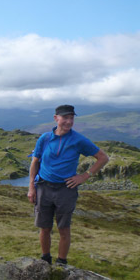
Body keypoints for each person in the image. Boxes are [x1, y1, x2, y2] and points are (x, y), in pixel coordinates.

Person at [27, 105, 109, 265]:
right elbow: (35, 162)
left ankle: (61, 263)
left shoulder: (78, 140)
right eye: (65, 117)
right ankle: (45, 260)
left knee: (64, 228)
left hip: (66, 190)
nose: (69, 121)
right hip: (43, 187)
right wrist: (31, 187)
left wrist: (84, 176)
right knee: (44, 227)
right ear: (56, 118)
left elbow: (103, 158)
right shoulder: (44, 138)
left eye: (72, 118)